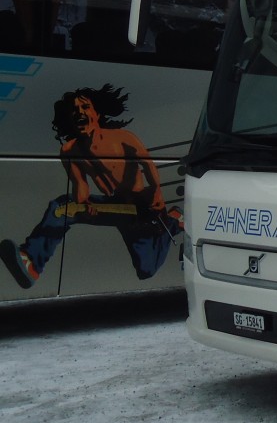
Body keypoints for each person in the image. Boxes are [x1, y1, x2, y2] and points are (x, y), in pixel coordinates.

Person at [0, 84, 182, 289]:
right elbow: (80, 185)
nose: (79, 112)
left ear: (96, 113)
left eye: (85, 107)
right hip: (115, 205)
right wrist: (85, 206)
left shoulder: (123, 138)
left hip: (140, 206)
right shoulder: (70, 150)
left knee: (147, 269)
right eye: (74, 109)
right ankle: (31, 261)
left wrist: (157, 192)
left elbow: (148, 165)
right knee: (62, 208)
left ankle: (173, 222)